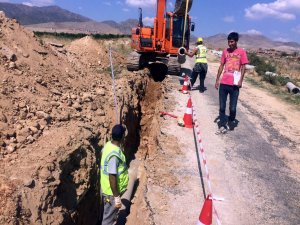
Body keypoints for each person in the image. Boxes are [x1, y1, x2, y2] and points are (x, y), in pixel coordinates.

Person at [215, 32, 248, 134]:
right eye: (229, 42)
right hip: (224, 83)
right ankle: (222, 125)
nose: (230, 44)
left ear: (236, 41)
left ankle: (230, 120)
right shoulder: (225, 52)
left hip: (234, 85)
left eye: (232, 41)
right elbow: (221, 66)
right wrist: (217, 79)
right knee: (222, 106)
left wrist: (240, 80)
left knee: (232, 108)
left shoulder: (241, 52)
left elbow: (243, 67)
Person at [100, 124, 129, 225]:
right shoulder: (114, 156)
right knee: (108, 221)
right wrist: (116, 196)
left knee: (108, 214)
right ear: (122, 137)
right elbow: (112, 177)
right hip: (111, 193)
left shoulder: (108, 145)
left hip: (106, 189)